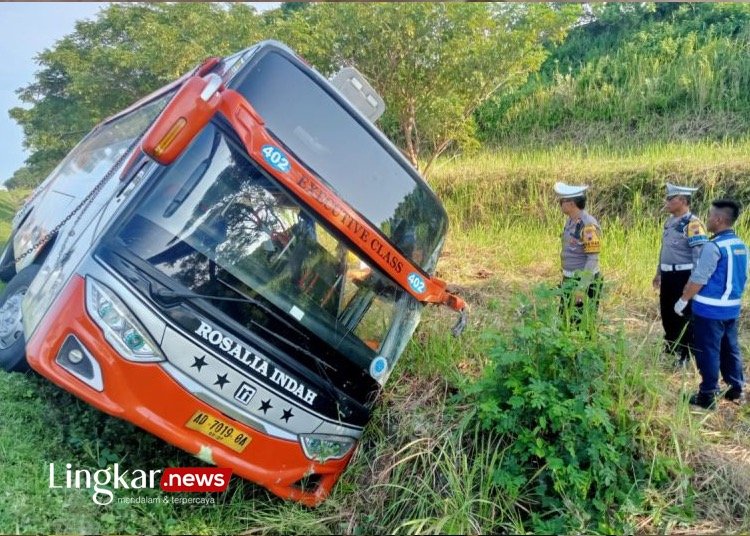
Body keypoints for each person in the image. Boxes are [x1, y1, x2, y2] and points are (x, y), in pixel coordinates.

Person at [675, 199, 747, 409]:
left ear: (718, 219)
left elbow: (699, 278)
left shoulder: (713, 246)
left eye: (709, 216)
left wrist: (683, 300)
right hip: (732, 307)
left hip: (709, 309)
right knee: (730, 347)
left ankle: (707, 395)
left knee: (708, 351)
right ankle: (736, 389)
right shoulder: (741, 245)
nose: (707, 220)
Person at [652, 183, 708, 366]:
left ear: (683, 201)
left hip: (683, 276)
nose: (667, 202)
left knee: (683, 314)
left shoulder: (693, 224)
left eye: (670, 199)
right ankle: (671, 349)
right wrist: (659, 272)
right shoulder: (669, 222)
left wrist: (692, 281)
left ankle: (685, 355)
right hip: (668, 275)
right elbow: (664, 250)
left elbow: (699, 255)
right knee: (667, 313)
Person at [555, 182, 603, 322]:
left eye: (561, 201)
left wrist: (582, 287)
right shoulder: (571, 221)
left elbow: (592, 258)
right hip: (570, 279)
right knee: (565, 321)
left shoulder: (588, 225)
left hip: (582, 282)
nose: (560, 204)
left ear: (571, 204)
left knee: (581, 325)